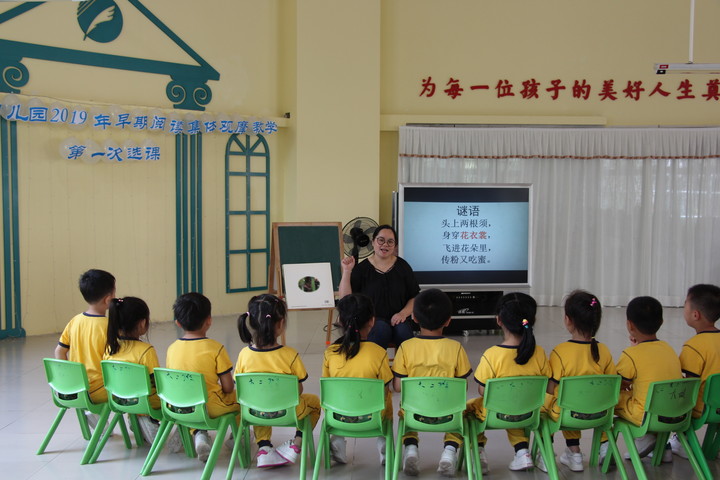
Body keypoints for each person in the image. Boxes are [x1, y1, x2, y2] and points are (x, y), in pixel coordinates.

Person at [392, 288, 472, 477]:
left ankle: (411, 448)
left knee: (404, 409)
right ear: (448, 320)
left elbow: (398, 387)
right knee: (461, 410)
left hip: (415, 414)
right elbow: (463, 388)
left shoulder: (405, 347)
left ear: (414, 318)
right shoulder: (456, 348)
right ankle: (450, 451)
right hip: (448, 415)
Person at [467, 292, 550, 474]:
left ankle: (479, 454)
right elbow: (547, 386)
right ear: (532, 320)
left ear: (499, 320)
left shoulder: (492, 354)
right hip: (530, 411)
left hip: (495, 413)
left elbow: (482, 390)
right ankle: (522, 452)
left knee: (470, 409)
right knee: (518, 406)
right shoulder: (539, 353)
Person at [235, 294, 321, 468]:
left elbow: (241, 389)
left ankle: (264, 447)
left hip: (255, 413)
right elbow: (299, 390)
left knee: (257, 402)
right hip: (288, 412)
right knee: (314, 403)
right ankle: (296, 443)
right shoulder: (290, 354)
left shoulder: (244, 355)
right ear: (280, 324)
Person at [538, 290, 616, 472]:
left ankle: (551, 454)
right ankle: (603, 446)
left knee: (547, 404)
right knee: (572, 401)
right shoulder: (603, 350)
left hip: (569, 414)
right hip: (600, 413)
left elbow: (551, 388)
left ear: (568, 320)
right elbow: (613, 384)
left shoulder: (561, 351)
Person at [166, 292, 239, 463]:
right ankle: (239, 437)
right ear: (209, 320)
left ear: (178, 323)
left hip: (178, 406)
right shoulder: (216, 348)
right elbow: (228, 387)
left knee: (192, 398)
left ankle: (199, 434)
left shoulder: (172, 348)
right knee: (242, 400)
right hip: (209, 408)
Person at [321, 293, 393, 466]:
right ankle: (384, 441)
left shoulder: (331, 353)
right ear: (372, 321)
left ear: (340, 321)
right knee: (387, 397)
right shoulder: (379, 353)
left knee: (334, 396)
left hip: (338, 416)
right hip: (372, 418)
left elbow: (327, 388)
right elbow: (384, 388)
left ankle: (337, 441)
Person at [103, 296, 179, 451]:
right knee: (181, 399)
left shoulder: (109, 350)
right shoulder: (146, 351)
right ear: (143, 323)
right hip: (148, 403)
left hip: (121, 400)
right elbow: (156, 383)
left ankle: (137, 417)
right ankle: (181, 433)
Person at [615, 296, 682, 461]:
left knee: (614, 398)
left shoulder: (631, 354)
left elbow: (618, 384)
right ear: (661, 322)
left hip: (647, 416)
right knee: (651, 394)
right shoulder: (668, 348)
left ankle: (643, 438)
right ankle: (663, 447)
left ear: (630, 325)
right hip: (676, 412)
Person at [338, 224, 420, 349]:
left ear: (395, 245)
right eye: (381, 240)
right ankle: (376, 361)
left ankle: (405, 362)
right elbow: (346, 299)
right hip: (371, 322)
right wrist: (347, 271)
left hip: (400, 319)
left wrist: (403, 314)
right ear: (373, 242)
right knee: (380, 329)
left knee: (404, 333)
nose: (385, 245)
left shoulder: (403, 266)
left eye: (390, 242)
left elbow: (415, 296)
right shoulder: (362, 269)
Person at [669, 284, 720, 458]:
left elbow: (688, 385)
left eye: (685, 304)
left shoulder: (694, 346)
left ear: (695, 315)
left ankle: (681, 440)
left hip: (703, 408)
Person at [55, 269, 116, 404]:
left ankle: (92, 411)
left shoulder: (75, 321)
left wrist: (68, 380)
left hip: (77, 388)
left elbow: (59, 351)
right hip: (100, 390)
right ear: (108, 299)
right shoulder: (110, 326)